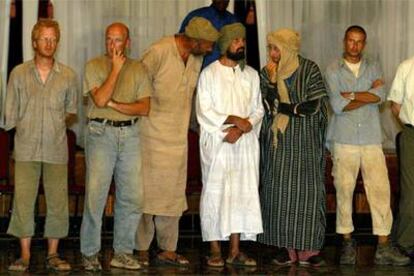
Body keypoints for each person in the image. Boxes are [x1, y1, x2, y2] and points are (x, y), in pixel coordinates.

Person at [136, 17, 219, 266]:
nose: (210, 49)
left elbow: (190, 96)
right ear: (193, 40)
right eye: (207, 45)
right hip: (150, 138)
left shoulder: (196, 57)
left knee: (172, 198)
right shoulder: (158, 51)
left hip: (177, 140)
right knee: (147, 197)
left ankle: (167, 249)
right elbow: (136, 85)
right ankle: (140, 249)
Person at [325, 25, 410, 266]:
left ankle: (383, 245)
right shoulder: (332, 69)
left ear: (365, 43)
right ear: (344, 41)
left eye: (360, 41)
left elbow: (381, 96)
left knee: (380, 191)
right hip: (344, 139)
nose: (355, 45)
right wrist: (367, 94)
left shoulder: (374, 66)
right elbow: (336, 104)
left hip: (372, 138)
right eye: (351, 41)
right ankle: (347, 243)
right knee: (343, 191)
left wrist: (350, 95)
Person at [5, 19, 77, 272]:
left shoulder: (68, 75)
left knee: (58, 201)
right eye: (44, 38)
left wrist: (54, 125)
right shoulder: (18, 73)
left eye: (53, 39)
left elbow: (71, 112)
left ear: (57, 42)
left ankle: (53, 254)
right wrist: (28, 127)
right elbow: (10, 113)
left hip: (56, 149)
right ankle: (24, 255)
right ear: (34, 42)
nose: (49, 43)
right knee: (24, 200)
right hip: (25, 149)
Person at [80, 22, 152, 271]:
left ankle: (122, 252)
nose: (112, 45)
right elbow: (98, 99)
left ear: (128, 42)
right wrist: (115, 69)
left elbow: (144, 108)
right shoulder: (93, 66)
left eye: (118, 40)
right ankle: (90, 253)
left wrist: (114, 104)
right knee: (95, 196)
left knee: (132, 197)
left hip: (130, 134)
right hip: (101, 133)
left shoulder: (139, 68)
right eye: (109, 39)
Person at [258, 28, 328, 266]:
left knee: (307, 194)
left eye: (276, 48)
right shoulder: (267, 73)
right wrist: (271, 82)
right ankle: (284, 247)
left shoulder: (309, 69)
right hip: (279, 144)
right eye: (270, 48)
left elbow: (314, 106)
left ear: (288, 48)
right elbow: (268, 107)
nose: (272, 53)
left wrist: (285, 108)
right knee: (279, 193)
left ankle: (309, 249)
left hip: (306, 143)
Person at [196, 22, 264, 267]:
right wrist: (233, 123)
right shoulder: (208, 74)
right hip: (218, 143)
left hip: (244, 143)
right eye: (236, 41)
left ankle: (235, 250)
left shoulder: (251, 75)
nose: (241, 44)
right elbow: (204, 111)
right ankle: (215, 249)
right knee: (216, 193)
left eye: (243, 41)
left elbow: (258, 109)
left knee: (241, 194)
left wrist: (243, 126)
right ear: (225, 44)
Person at [388, 57, 414, 259]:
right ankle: (406, 243)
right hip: (412, 134)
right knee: (411, 191)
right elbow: (395, 106)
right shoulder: (407, 66)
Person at [179, 0, 238, 69]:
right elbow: (181, 46)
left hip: (224, 73)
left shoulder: (234, 21)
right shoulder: (196, 16)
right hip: (196, 72)